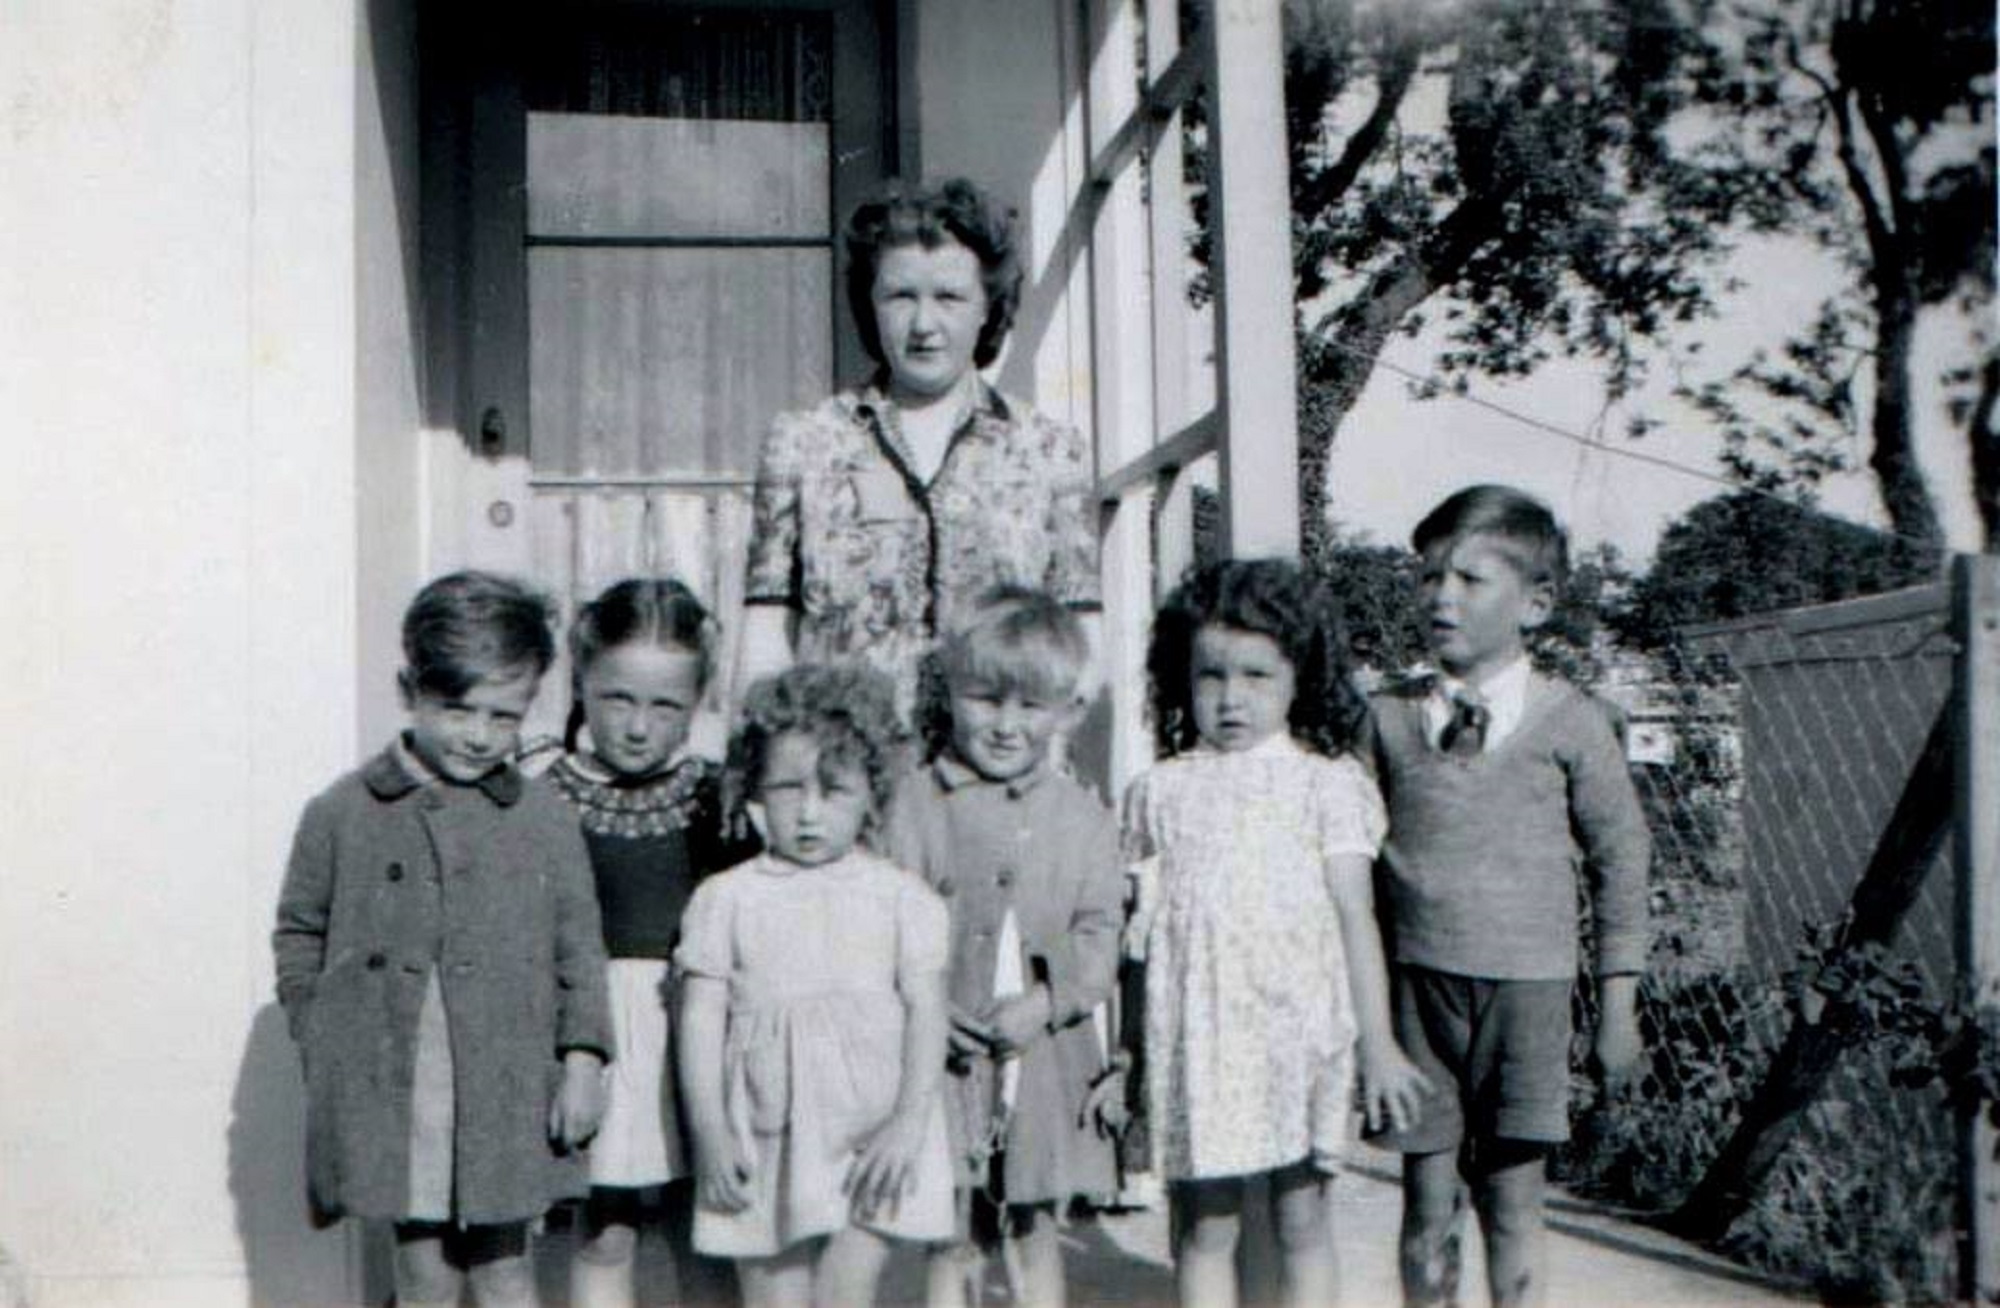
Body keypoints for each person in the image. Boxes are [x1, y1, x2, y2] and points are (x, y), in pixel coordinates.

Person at [272, 571, 611, 1308]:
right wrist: (322, 1030)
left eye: (502, 715)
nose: (479, 735)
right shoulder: (341, 812)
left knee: (504, 1273)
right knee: (424, 1275)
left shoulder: (544, 818)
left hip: (507, 1085)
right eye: (456, 708)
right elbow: (299, 931)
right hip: (403, 1085)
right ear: (408, 688)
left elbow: (579, 947)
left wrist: (582, 1060)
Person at [1366, 485, 1649, 1308]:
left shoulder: (1573, 723)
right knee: (1425, 1205)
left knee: (1513, 1199)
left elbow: (1620, 857)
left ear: (1535, 605)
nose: (1440, 597)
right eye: (1428, 577)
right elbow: (1348, 862)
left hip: (1528, 992)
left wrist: (1619, 1004)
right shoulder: (1385, 721)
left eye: (1468, 580)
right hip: (1418, 989)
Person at [1124, 558, 1428, 1308]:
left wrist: (1378, 1044)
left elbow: (1356, 918)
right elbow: (1139, 939)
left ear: (1300, 676)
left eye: (1257, 675)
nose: (1232, 699)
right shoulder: (1159, 792)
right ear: (1182, 679)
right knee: (1206, 1228)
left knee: (1302, 1218)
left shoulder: (1325, 786)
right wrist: (1129, 1054)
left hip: (1299, 1036)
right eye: (1211, 676)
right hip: (1200, 1041)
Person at [739, 176, 1100, 719]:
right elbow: (767, 640)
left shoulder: (1051, 453)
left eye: (950, 297)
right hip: (849, 777)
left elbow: (1081, 652)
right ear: (871, 303)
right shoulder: (804, 444)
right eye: (901, 296)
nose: (924, 324)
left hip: (996, 783)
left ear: (988, 307)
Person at [675, 664, 955, 1307]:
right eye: (786, 789)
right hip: (768, 1136)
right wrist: (710, 1132)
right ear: (753, 790)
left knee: (844, 1295)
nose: (807, 813)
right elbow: (700, 1020)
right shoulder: (727, 900)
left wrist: (909, 1122)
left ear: (870, 796)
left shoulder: (900, 900)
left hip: (875, 1137)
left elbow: (926, 1015)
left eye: (833, 792)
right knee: (776, 1299)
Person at [886, 588, 1124, 1308]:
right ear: (953, 694)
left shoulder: (1081, 814)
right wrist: (926, 1005)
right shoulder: (916, 801)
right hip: (945, 1051)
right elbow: (889, 917)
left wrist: (1051, 1001)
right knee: (948, 1224)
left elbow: (1099, 929)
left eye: (1029, 707)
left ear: (1061, 712)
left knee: (1030, 1222)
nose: (1005, 724)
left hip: (1042, 1053)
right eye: (986, 700)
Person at [548, 578, 757, 1308]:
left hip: (693, 1037)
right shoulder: (546, 796)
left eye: (665, 705)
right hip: (594, 1038)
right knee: (606, 1231)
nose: (638, 726)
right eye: (618, 699)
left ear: (697, 704)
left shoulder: (717, 800)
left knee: (700, 1226)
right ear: (583, 683)